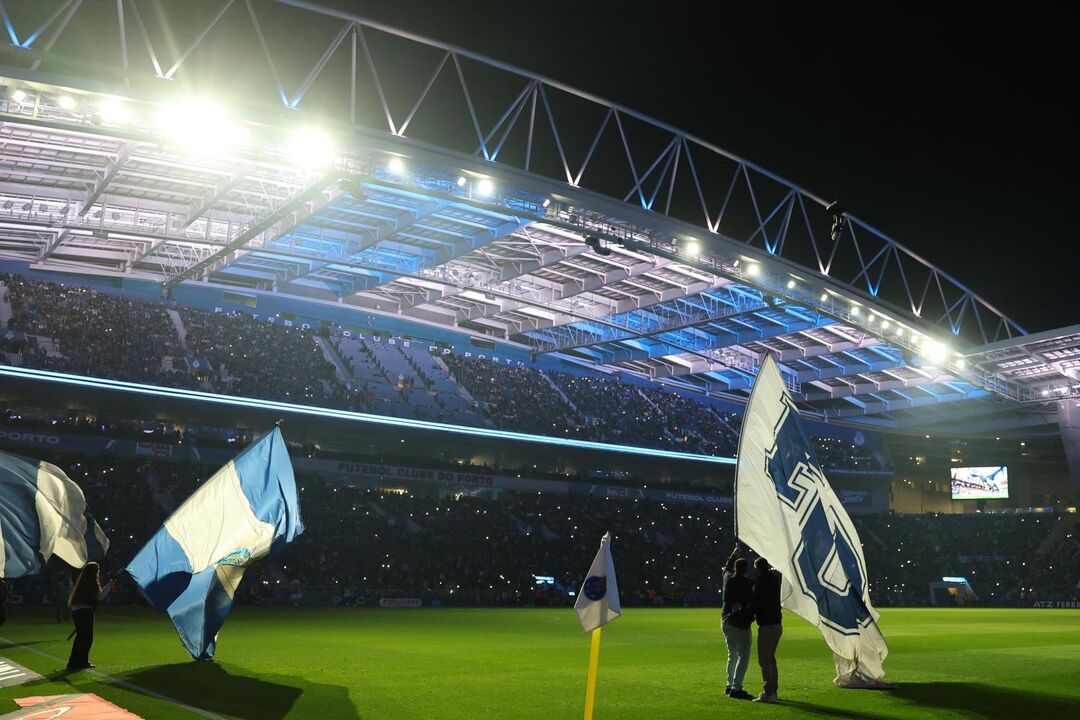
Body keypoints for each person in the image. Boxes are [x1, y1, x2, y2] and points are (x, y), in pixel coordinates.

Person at [721, 546, 755, 700]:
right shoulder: (748, 583)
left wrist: (733, 555)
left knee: (732, 654)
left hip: (726, 621)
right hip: (740, 623)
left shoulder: (728, 578)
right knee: (743, 656)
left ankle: (729, 685)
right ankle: (736, 688)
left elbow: (725, 570)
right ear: (746, 569)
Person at [752, 557, 783, 703]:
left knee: (764, 660)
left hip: (767, 625)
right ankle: (773, 690)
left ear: (759, 568)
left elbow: (756, 602)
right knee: (770, 659)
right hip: (777, 624)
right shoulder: (774, 580)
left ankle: (769, 692)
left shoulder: (761, 583)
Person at [67, 562, 101, 671]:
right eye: (97, 570)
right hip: (85, 611)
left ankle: (74, 662)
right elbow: (99, 597)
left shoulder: (81, 582)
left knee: (80, 638)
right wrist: (109, 586)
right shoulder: (92, 582)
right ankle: (82, 661)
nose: (98, 572)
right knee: (87, 638)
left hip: (77, 611)